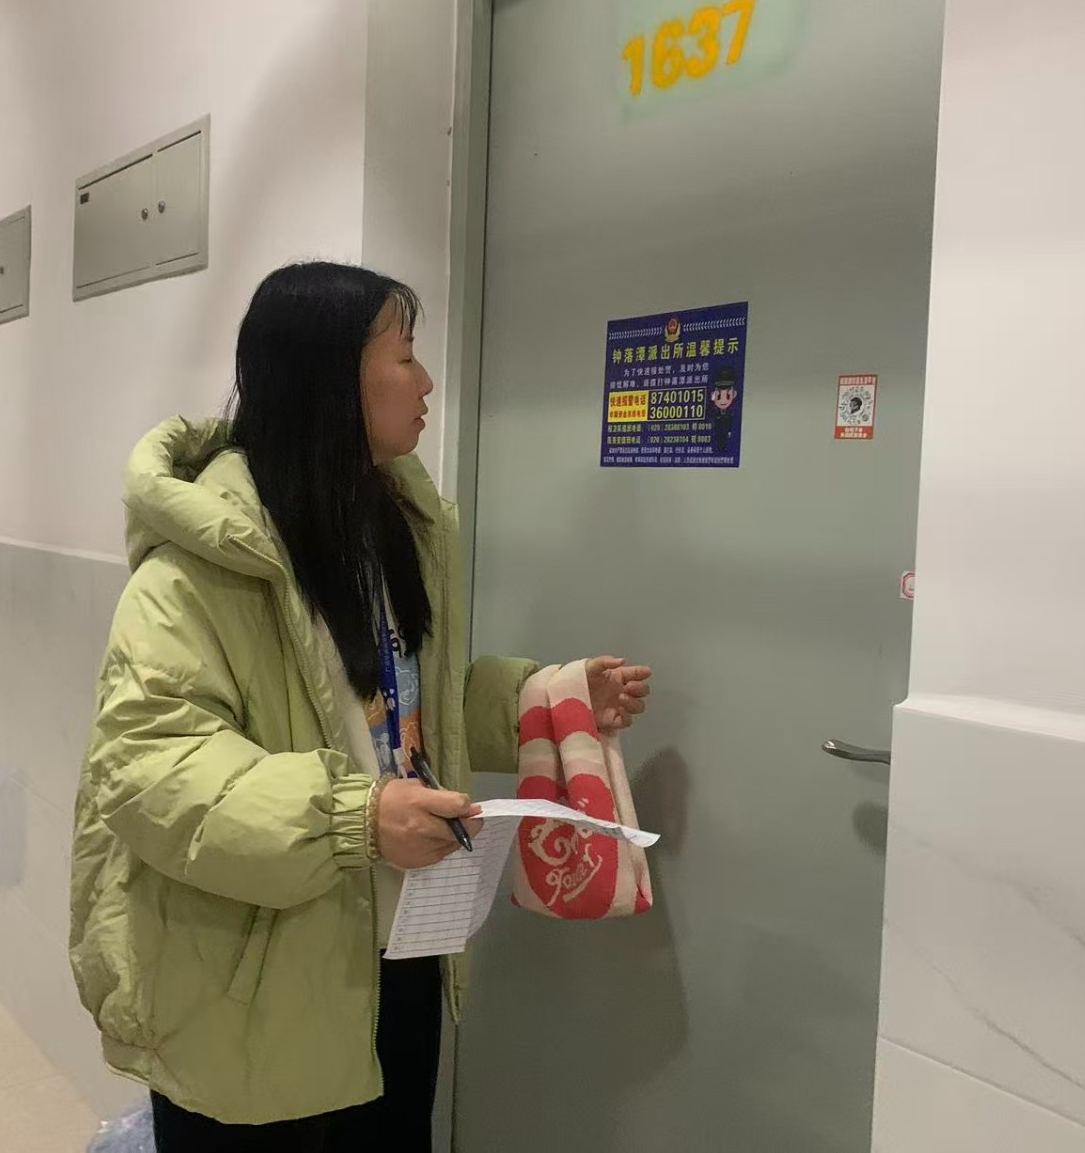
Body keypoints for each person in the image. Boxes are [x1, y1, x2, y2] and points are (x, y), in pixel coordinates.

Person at [69, 262, 653, 1150]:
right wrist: (354, 818)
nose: (427, 382)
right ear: (330, 377)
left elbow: (394, 709)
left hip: (398, 946)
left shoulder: (392, 530)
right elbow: (149, 763)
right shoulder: (199, 562)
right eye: (405, 355)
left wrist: (543, 698)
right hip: (252, 979)